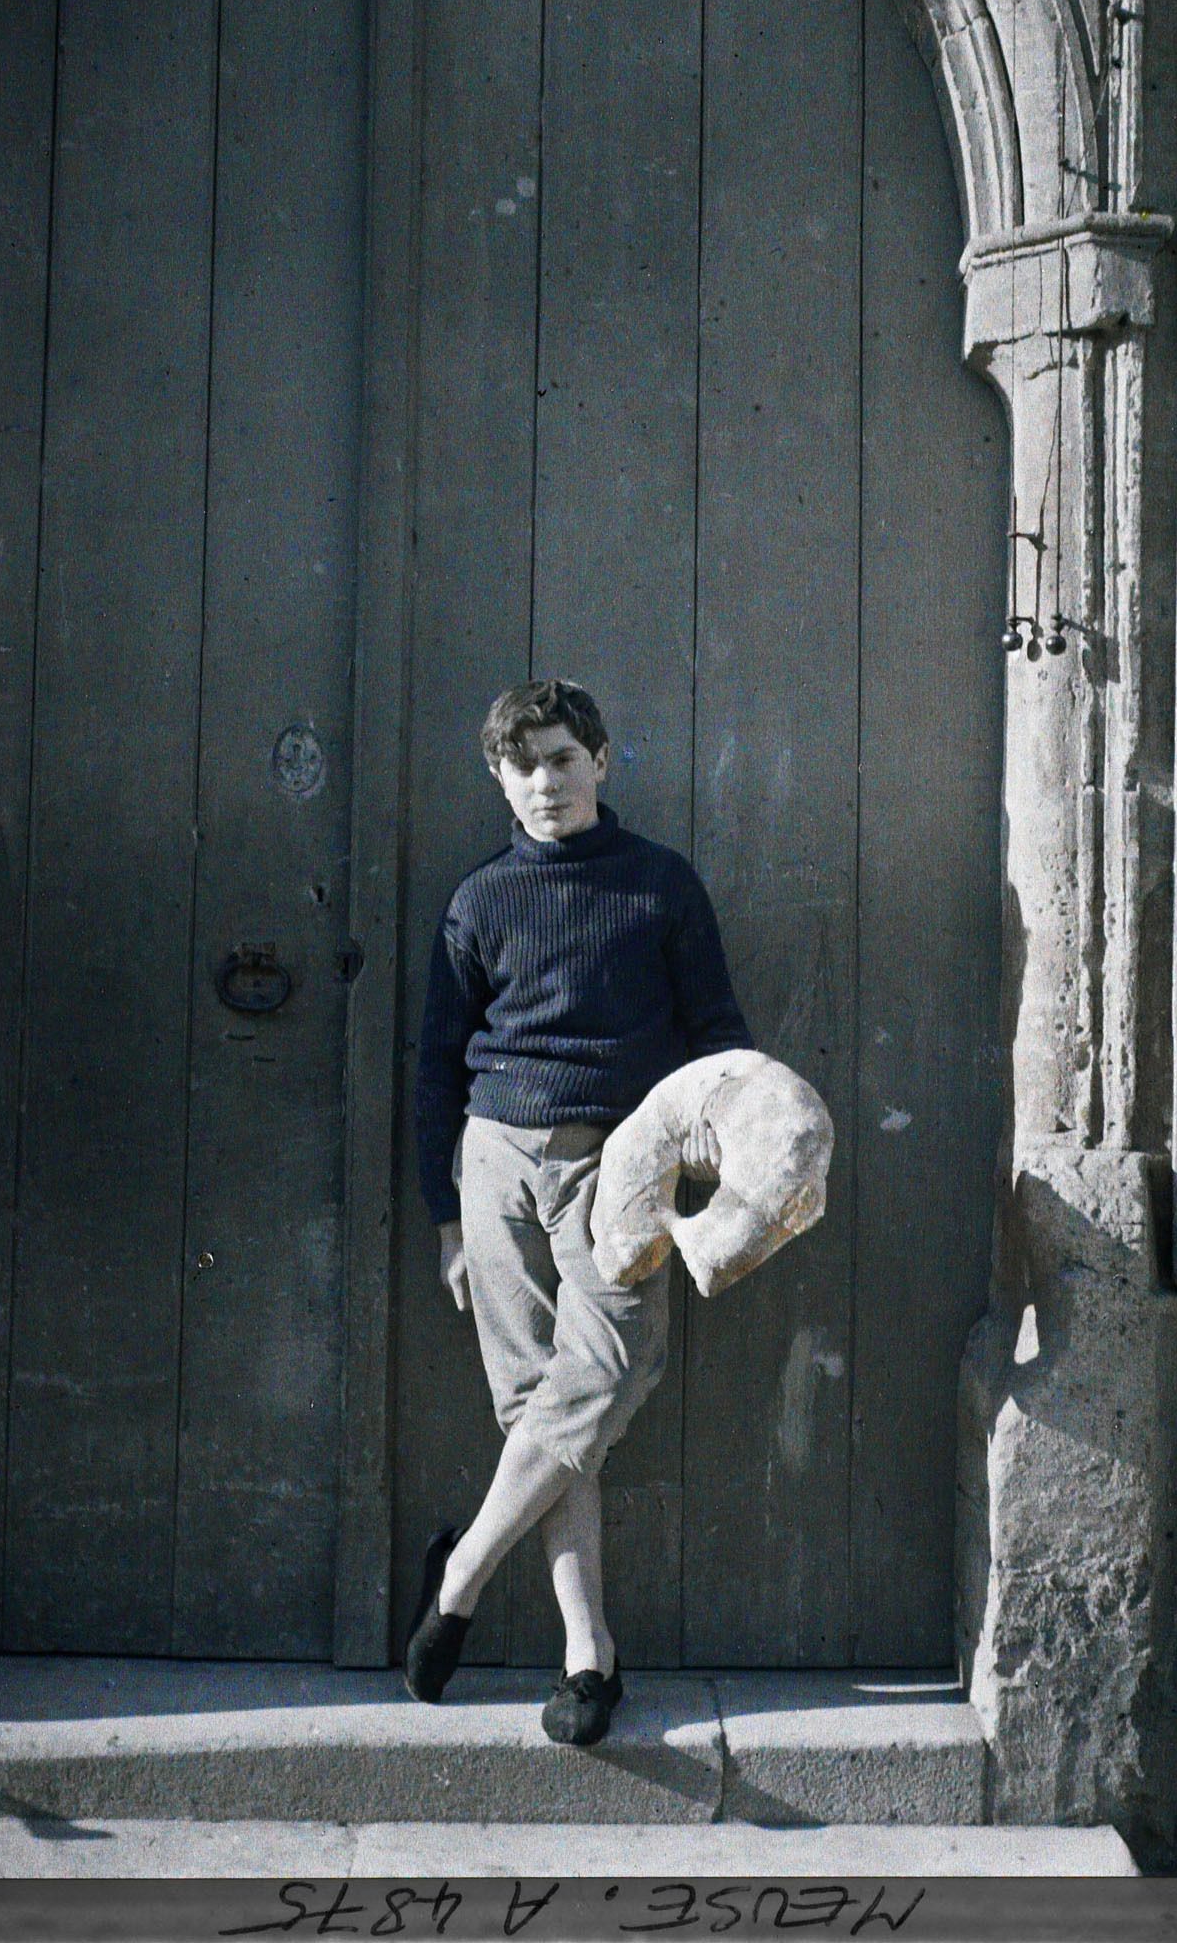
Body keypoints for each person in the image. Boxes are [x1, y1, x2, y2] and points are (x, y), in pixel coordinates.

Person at [407, 679, 751, 1745]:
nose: (544, 783)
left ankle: (460, 1569)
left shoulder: (659, 886)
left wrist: (704, 1189)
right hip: (495, 1162)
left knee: (602, 1375)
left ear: (601, 760)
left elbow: (719, 1044)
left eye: (562, 759)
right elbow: (435, 1065)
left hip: (618, 1165)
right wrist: (447, 1219)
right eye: (523, 766)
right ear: (499, 779)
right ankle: (586, 1652)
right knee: (537, 1410)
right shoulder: (478, 898)